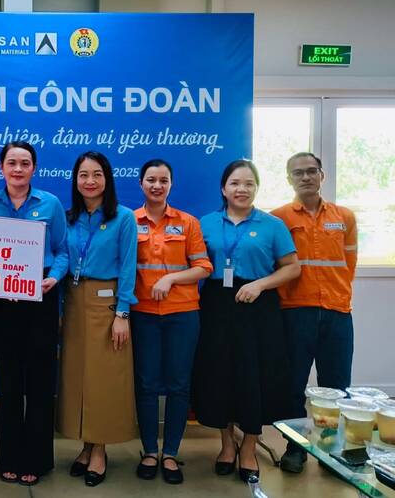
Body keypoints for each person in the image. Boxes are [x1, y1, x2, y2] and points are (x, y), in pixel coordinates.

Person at [192, 159, 301, 483]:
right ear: (223, 188)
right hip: (216, 305)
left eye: (249, 184)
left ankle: (250, 446)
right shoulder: (206, 223)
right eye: (236, 183)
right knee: (220, 375)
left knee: (256, 377)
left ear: (256, 188)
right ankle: (227, 445)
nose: (242, 189)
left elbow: (292, 267)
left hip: (258, 307)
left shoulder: (271, 224)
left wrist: (260, 284)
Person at [0, 141, 68, 486]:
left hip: (40, 300)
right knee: (10, 382)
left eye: (25, 163)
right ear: (1, 167)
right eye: (12, 162)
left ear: (34, 168)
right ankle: (9, 457)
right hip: (3, 304)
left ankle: (38, 459)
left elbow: (62, 251)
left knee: (41, 383)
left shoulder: (50, 204)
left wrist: (53, 278)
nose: (18, 169)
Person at [271, 152, 358, 474]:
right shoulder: (278, 218)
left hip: (337, 311)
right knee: (293, 385)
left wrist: (337, 295)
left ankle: (331, 450)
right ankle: (296, 448)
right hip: (295, 312)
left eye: (311, 172)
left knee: (337, 387)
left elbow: (349, 264)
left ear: (323, 176)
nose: (305, 177)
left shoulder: (344, 216)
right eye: (298, 173)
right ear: (289, 179)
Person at [56, 151, 137, 488]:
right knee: (77, 378)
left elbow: (128, 267)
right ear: (75, 180)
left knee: (103, 380)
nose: (90, 181)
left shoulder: (124, 218)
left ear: (107, 179)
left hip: (107, 304)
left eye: (97, 174)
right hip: (73, 302)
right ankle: (85, 444)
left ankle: (99, 449)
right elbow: (60, 258)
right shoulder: (68, 216)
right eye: (83, 175)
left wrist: (122, 313)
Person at [129, 159, 213, 485]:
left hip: (183, 314)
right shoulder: (129, 221)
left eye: (163, 180)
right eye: (151, 179)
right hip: (143, 315)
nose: (157, 185)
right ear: (141, 183)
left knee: (179, 385)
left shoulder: (187, 222)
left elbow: (203, 266)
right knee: (147, 384)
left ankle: (171, 453)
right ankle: (150, 450)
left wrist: (172, 280)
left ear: (171, 185)